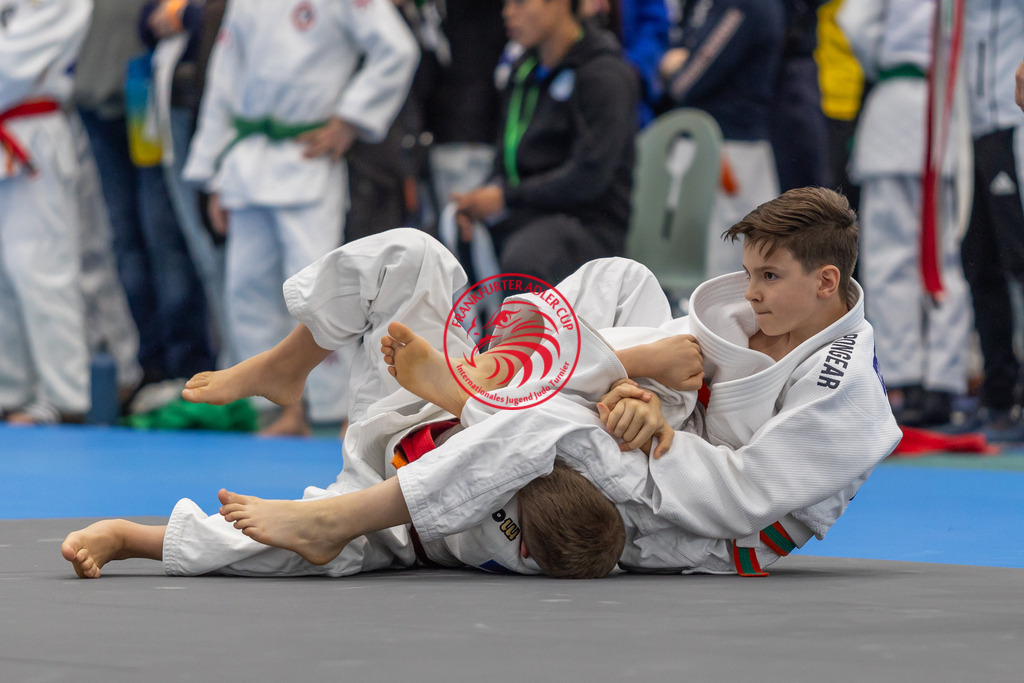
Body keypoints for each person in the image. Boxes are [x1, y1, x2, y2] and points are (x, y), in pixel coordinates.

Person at [138, 188, 899, 576]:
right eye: (750, 271)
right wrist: (635, 389)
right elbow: (665, 375)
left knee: (547, 423)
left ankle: (440, 424)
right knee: (437, 256)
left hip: (690, 523)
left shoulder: (844, 391)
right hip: (631, 437)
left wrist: (642, 421)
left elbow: (742, 495)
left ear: (826, 282)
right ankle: (295, 364)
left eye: (770, 277)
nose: (751, 291)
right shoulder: (747, 317)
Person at [61, 229, 626, 580]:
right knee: (414, 255)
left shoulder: (535, 544)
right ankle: (286, 366)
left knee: (298, 547)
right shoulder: (587, 455)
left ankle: (130, 538)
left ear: (525, 552)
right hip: (428, 403)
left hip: (389, 515)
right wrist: (636, 392)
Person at [182, 0, 419, 435]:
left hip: (308, 156)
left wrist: (351, 118)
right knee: (246, 288)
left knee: (320, 293)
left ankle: (333, 412)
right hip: (247, 159)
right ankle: (272, 409)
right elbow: (224, 77)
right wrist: (214, 170)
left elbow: (397, 48)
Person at [840, 0, 971, 427]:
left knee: (892, 259)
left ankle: (904, 380)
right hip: (950, 111)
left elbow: (854, 20)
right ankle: (943, 382)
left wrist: (882, 59)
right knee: (946, 257)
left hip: (897, 110)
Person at [453, 0, 638, 287]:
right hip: (524, 212)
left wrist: (505, 198)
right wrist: (478, 203)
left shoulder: (605, 74)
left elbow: (589, 177)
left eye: (520, 2)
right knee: (436, 241)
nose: (507, 12)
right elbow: (505, 158)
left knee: (526, 259)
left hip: (589, 224)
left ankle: (532, 320)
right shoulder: (522, 71)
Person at [1, 0, 93, 424]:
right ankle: (10, 390)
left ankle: (65, 396)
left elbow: (15, 62)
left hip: (33, 132)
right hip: (11, 127)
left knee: (40, 266)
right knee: (4, 274)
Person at [658, 0, 786, 277]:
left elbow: (687, 81)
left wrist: (669, 70)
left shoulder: (744, 5)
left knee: (725, 276)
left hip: (730, 152)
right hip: (726, 148)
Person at [963, 1, 1024, 441]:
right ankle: (998, 394)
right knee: (980, 262)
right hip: (968, 127)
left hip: (1012, 119)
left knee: (1020, 262)